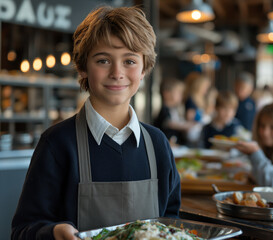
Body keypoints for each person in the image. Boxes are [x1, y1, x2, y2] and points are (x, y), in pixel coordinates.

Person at [12, 6, 181, 240]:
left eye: (130, 61)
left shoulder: (158, 144)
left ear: (145, 69)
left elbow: (172, 222)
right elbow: (22, 231)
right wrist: (53, 233)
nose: (117, 72)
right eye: (103, 60)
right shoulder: (57, 143)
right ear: (82, 68)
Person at [153, 78, 195, 145]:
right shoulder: (164, 110)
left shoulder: (175, 110)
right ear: (166, 94)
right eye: (178, 92)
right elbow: (170, 123)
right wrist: (187, 125)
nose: (181, 96)